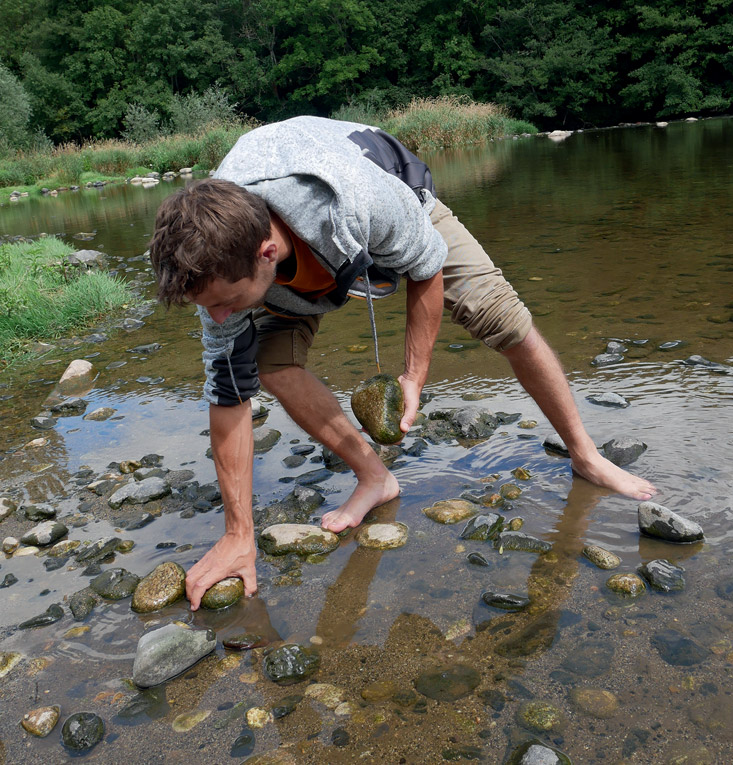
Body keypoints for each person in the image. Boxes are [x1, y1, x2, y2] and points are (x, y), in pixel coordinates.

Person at [149, 116, 656, 609]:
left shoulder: (357, 200)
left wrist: (413, 375)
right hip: (286, 257)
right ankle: (375, 478)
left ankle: (586, 455)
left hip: (391, 199)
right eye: (206, 306)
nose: (216, 316)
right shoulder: (218, 263)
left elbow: (426, 267)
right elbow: (229, 398)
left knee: (506, 320)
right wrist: (239, 535)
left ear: (265, 253)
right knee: (269, 364)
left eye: (224, 301)